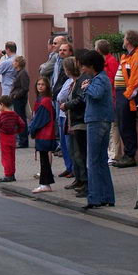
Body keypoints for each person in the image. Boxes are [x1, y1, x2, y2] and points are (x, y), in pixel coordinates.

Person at [79, 50, 116, 209]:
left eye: (84, 67)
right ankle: (107, 196)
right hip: (102, 119)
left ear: (92, 66)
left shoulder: (99, 79)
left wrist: (87, 87)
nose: (82, 70)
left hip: (97, 120)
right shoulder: (99, 78)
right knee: (101, 160)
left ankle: (93, 198)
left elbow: (96, 94)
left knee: (92, 161)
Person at [113, 31, 138, 168]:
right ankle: (127, 154)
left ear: (128, 41)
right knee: (123, 125)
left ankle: (129, 155)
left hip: (127, 96)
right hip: (124, 94)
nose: (123, 40)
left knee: (126, 126)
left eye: (124, 38)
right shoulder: (130, 56)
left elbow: (136, 79)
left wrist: (127, 96)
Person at [62, 56, 89, 198]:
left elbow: (79, 100)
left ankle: (85, 182)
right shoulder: (75, 82)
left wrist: (67, 105)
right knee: (74, 152)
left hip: (79, 121)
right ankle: (79, 179)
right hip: (73, 121)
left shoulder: (80, 81)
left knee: (80, 154)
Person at [95, 39, 121, 166]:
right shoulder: (107, 61)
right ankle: (111, 152)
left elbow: (113, 79)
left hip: (113, 96)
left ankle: (114, 153)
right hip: (110, 96)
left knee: (113, 126)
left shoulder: (110, 62)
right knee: (110, 126)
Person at [29, 77, 56, 193]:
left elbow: (40, 119)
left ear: (47, 87)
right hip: (43, 134)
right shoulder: (41, 100)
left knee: (44, 160)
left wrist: (32, 129)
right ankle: (46, 182)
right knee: (44, 159)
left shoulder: (45, 101)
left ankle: (45, 184)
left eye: (43, 85)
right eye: (38, 84)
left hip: (44, 134)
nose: (40, 86)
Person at [0, 95, 25, 183]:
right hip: (12, 137)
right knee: (12, 157)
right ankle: (12, 174)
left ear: (2, 104)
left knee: (6, 157)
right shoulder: (14, 115)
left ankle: (8, 174)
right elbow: (22, 124)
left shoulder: (2, 115)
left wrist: (0, 114)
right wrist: (17, 131)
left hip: (4, 138)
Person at [10, 56, 30, 148]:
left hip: (20, 99)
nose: (13, 63)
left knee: (21, 119)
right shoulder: (19, 73)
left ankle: (23, 140)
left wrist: (16, 95)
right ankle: (22, 139)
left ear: (18, 63)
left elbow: (25, 88)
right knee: (19, 119)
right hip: (17, 99)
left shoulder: (22, 74)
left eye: (14, 61)